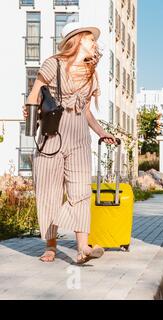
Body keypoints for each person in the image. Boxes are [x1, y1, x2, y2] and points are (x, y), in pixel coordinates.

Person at [23, 22, 118, 265]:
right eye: (90, 39)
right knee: (49, 193)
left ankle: (82, 248)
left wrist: (101, 132)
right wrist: (31, 120)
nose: (94, 44)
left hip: (79, 138)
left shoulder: (90, 73)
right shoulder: (52, 64)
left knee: (81, 192)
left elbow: (86, 112)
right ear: (76, 40)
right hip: (52, 136)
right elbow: (34, 97)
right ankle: (51, 246)